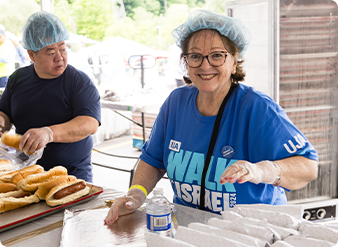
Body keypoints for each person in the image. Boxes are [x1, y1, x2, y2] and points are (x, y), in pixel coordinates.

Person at [104, 9, 318, 224]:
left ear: (234, 61)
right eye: (195, 56)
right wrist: (136, 195)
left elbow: (308, 167)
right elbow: (153, 160)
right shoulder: (176, 103)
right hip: (191, 229)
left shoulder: (257, 108)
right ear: (186, 62)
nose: (205, 65)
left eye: (217, 55)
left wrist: (261, 170)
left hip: (252, 232)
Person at [0, 11, 101, 182]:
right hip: (26, 173)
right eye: (50, 52)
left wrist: (49, 133)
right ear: (31, 55)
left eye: (62, 48)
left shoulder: (78, 81)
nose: (60, 57)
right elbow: (5, 114)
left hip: (71, 176)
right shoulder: (17, 79)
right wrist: (2, 121)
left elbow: (89, 123)